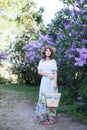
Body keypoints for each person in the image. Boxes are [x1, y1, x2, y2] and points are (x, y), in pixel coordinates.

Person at [35, 45, 58, 125]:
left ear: (51, 53)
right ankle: (42, 118)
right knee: (43, 98)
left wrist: (55, 83)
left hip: (51, 82)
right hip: (44, 81)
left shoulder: (53, 61)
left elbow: (55, 73)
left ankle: (51, 119)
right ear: (44, 52)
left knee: (51, 100)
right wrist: (47, 74)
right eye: (47, 51)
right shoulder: (41, 61)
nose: (48, 52)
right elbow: (39, 72)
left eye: (49, 51)